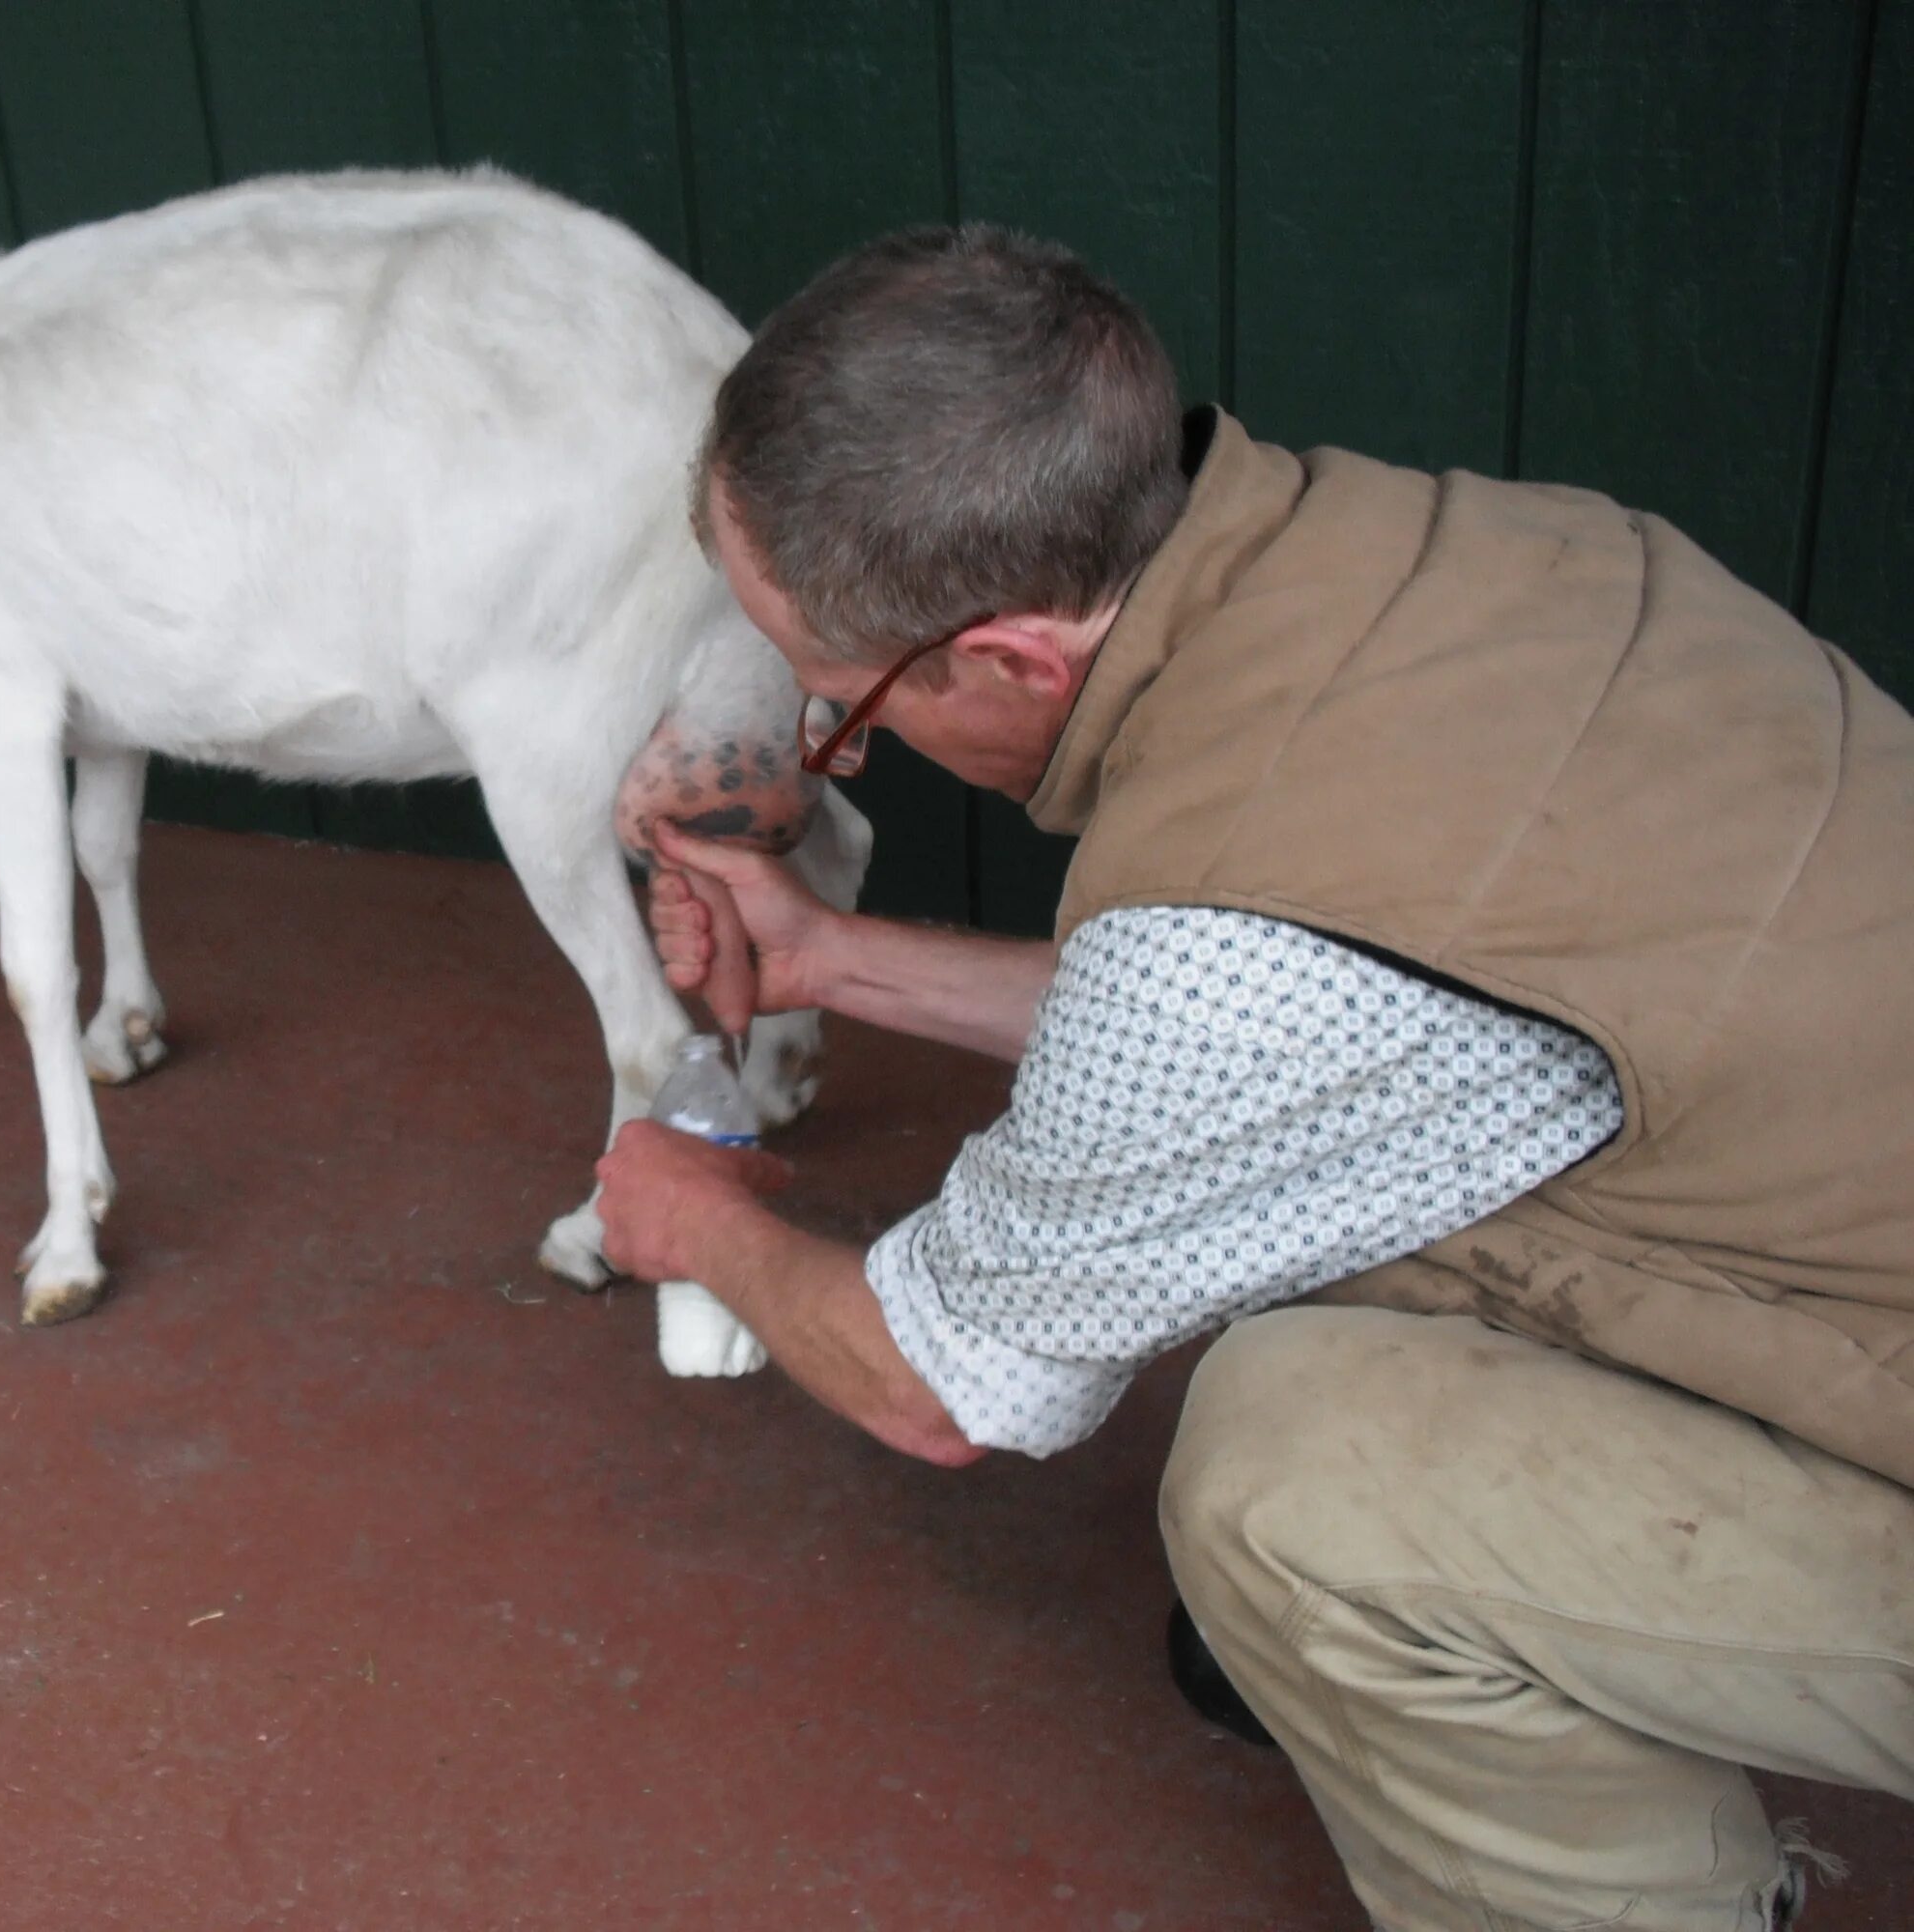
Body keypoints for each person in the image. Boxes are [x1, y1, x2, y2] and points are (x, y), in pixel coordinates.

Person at [592, 224, 1914, 1932]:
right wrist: (831, 958)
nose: (840, 740)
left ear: (1007, 664)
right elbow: (1357, 1015)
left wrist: (692, 1220)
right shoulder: (1471, 551)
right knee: (1296, 1230)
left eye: (843, 712)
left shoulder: (1222, 967)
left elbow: (941, 1386)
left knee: (1287, 1491)